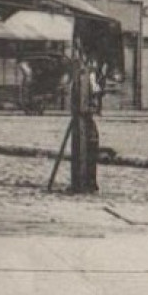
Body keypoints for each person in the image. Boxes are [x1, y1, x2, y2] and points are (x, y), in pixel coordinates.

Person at [66, 58, 100, 194]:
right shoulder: (85, 74)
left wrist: (84, 110)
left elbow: (84, 100)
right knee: (84, 151)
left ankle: (82, 183)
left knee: (83, 151)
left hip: (83, 118)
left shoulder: (85, 75)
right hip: (83, 117)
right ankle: (84, 182)